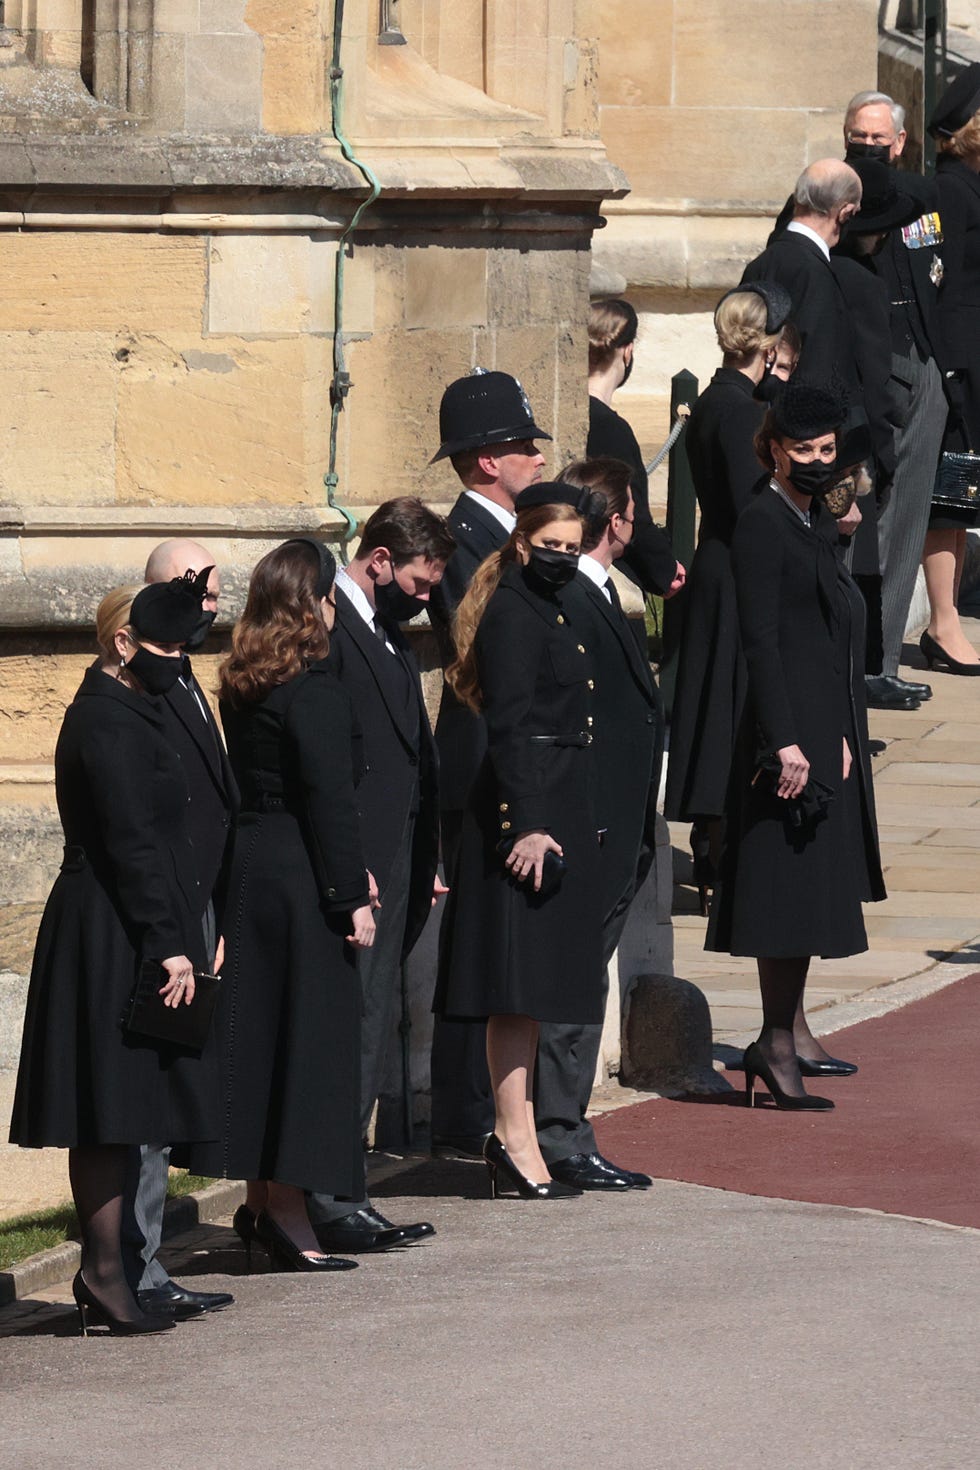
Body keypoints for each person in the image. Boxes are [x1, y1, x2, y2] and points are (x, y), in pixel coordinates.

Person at [9, 578, 224, 1335]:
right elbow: (131, 843)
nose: (177, 662)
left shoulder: (137, 706)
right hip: (110, 930)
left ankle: (114, 1273)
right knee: (106, 1109)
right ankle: (103, 1275)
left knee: (129, 1109)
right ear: (122, 643)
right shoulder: (104, 720)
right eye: (164, 646)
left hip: (136, 922)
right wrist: (171, 947)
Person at [188, 539, 374, 1273]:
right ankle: (291, 1214)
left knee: (262, 1040)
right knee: (306, 1045)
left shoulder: (244, 680)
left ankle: (265, 1203)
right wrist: (351, 894)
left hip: (253, 867)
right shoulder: (316, 685)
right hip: (302, 877)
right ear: (318, 602)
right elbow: (328, 800)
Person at [706, 382, 885, 1109]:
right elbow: (762, 641)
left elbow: (829, 630)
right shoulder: (762, 522)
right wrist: (786, 741)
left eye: (825, 451)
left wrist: (839, 730)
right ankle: (773, 1045)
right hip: (787, 741)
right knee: (785, 896)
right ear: (775, 449)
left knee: (808, 893)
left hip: (822, 727)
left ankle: (783, 1038)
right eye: (803, 450)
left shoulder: (809, 519)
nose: (816, 462)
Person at [435, 485, 606, 1199]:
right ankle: (512, 1136)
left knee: (533, 989)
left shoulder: (551, 604)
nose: (561, 559)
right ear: (519, 542)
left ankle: (522, 1129)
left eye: (572, 549)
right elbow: (506, 725)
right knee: (514, 986)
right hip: (523, 814)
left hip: (556, 799)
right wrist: (528, 822)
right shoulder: (511, 609)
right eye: (550, 547)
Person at [306, 498, 451, 1253]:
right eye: (421, 584)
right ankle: (329, 1195)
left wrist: (422, 856)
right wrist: (353, 867)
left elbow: (408, 755)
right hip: (354, 864)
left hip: (394, 860)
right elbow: (331, 759)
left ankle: (344, 1184)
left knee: (372, 1021)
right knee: (351, 1025)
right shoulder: (331, 625)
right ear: (381, 559)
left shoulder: (386, 636)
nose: (424, 600)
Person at [427, 370, 551, 1160]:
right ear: (483, 463)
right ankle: (464, 1114)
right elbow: (474, 648)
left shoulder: (509, 536)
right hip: (480, 763)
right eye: (520, 447)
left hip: (515, 756)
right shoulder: (460, 545)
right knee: (477, 947)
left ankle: (499, 1110)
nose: (536, 459)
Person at [533, 460, 659, 1192]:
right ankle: (560, 1134)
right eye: (633, 511)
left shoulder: (602, 592)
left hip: (617, 823)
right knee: (573, 985)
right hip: (591, 825)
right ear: (616, 520)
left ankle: (567, 1125)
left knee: (584, 982)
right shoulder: (573, 596)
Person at [122, 538, 237, 1320]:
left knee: (167, 1101)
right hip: (160, 914)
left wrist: (216, 915)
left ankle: (145, 1261)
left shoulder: (191, 677)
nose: (213, 605)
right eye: (200, 592)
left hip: (197, 905)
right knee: (142, 1103)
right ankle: (128, 1268)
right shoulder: (142, 689)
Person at [664, 283, 792, 907]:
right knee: (731, 706)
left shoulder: (715, 399)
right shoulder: (741, 409)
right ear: (766, 348)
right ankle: (720, 847)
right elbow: (751, 506)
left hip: (715, 561)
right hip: (736, 568)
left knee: (718, 700)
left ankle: (716, 844)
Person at [843, 91, 950, 698]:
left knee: (907, 517)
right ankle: (856, 661)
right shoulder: (828, 189)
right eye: (859, 137)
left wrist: (947, 372)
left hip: (922, 366)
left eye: (880, 140)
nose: (869, 149)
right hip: (867, 367)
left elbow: (943, 280)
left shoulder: (924, 200)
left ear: (901, 143)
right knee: (858, 513)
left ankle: (882, 663)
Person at [920, 63, 980, 675]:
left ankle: (948, 619)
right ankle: (942, 623)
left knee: (965, 493)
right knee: (951, 495)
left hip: (970, 363)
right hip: (957, 366)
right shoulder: (949, 192)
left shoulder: (970, 188)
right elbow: (937, 285)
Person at [586, 297, 687, 600]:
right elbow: (632, 513)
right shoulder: (612, 430)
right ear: (627, 351)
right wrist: (665, 570)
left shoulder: (572, 415)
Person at [742, 160, 863, 395]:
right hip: (799, 421)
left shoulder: (762, 263)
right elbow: (817, 368)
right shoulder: (816, 274)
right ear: (845, 213)